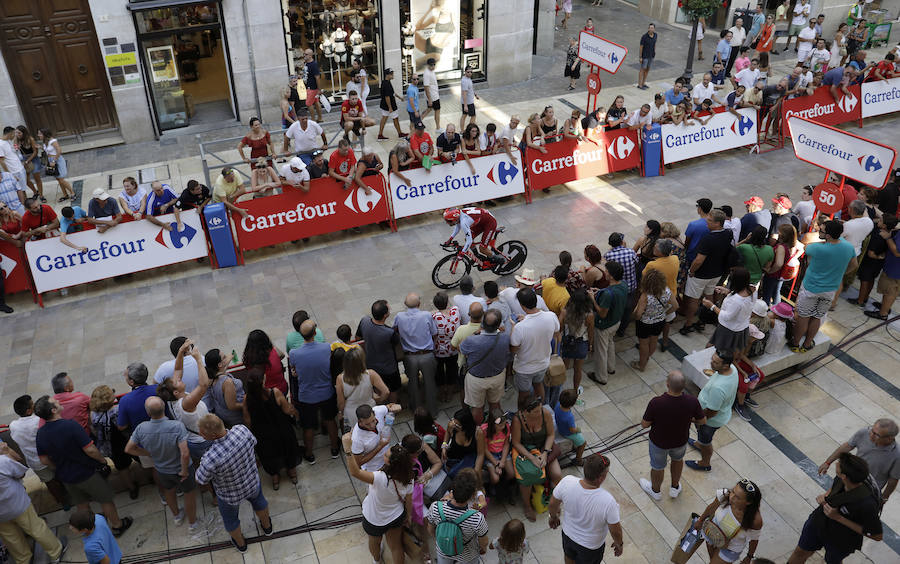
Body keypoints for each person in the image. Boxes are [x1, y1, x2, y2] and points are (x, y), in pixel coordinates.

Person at [34, 396, 133, 536]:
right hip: (87, 473)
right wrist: (102, 461)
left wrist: (58, 466)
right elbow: (90, 449)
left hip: (66, 477)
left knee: (81, 504)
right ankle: (117, 525)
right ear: (53, 410)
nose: (59, 401)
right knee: (105, 499)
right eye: (56, 402)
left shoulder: (41, 434)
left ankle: (90, 529)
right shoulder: (71, 425)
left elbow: (44, 460)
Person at [195, 414, 274, 553]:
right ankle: (267, 527)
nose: (200, 434)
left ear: (212, 436)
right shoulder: (241, 430)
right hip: (252, 482)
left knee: (231, 520)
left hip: (229, 496)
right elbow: (254, 442)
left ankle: (241, 544)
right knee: (260, 502)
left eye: (201, 432)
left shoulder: (210, 458)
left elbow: (201, 479)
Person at [788, 453, 883, 563]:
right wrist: (826, 495)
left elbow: (877, 535)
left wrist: (838, 517)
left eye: (839, 464)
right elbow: (834, 488)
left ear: (844, 476)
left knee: (832, 561)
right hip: (818, 523)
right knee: (800, 552)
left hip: (842, 539)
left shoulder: (867, 504)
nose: (836, 464)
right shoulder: (842, 478)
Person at [124, 397, 200, 530]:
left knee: (169, 492)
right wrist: (184, 470)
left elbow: (129, 448)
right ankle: (192, 523)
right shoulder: (176, 426)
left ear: (148, 413)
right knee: (189, 494)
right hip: (181, 469)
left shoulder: (141, 428)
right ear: (163, 408)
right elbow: (185, 453)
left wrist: (147, 453)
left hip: (162, 470)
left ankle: (177, 516)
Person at [791, 221, 856, 352]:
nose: (819, 232)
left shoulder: (817, 248)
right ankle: (807, 344)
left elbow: (805, 247)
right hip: (830, 290)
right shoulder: (849, 247)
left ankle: (795, 344)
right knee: (817, 316)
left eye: (821, 231)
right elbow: (854, 265)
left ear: (828, 235)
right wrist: (840, 274)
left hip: (811, 288)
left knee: (803, 316)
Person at [639, 370, 705, 500]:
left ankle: (656, 492)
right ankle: (675, 488)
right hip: (680, 441)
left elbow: (644, 424)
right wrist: (689, 418)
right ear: (683, 386)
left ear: (667, 384)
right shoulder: (692, 401)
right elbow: (702, 421)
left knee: (657, 467)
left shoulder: (656, 402)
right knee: (677, 460)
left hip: (658, 443)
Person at [0, 442, 68, 564]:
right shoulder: (2, 462)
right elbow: (21, 473)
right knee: (36, 528)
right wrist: (6, 452)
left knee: (11, 538)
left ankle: (24, 560)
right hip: (17, 504)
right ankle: (56, 552)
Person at [348, 441, 414, 564]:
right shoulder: (409, 476)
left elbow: (355, 472)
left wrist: (348, 450)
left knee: (374, 542)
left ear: (390, 463)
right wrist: (408, 515)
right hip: (396, 516)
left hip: (374, 519)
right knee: (396, 546)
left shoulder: (379, 477)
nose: (384, 454)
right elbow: (409, 499)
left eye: (386, 455)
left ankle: (377, 560)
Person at [548, 454, 624, 562]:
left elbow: (552, 504)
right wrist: (619, 544)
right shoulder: (608, 501)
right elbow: (615, 530)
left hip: (568, 535)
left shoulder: (567, 481)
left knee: (568, 556)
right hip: (590, 547)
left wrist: (553, 517)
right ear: (601, 477)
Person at [289, 319, 340, 462]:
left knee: (308, 427)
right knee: (330, 420)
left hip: (306, 397)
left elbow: (294, 368)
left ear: (300, 334)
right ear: (315, 332)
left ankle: (310, 454)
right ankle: (335, 448)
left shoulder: (294, 353)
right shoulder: (325, 348)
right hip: (327, 393)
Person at [241, 370, 300, 489]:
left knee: (269, 455)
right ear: (263, 381)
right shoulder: (275, 392)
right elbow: (287, 410)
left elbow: (247, 421)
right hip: (282, 430)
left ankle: (275, 479)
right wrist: (295, 412)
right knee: (288, 450)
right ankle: (292, 473)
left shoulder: (247, 399)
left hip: (263, 434)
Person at [818, 419, 900, 505]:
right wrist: (827, 462)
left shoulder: (897, 455)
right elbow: (847, 446)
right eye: (872, 430)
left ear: (889, 438)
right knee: (829, 500)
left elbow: (893, 480)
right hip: (848, 477)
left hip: (866, 490)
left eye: (876, 435)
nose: (871, 435)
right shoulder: (864, 432)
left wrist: (884, 498)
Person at [9, 395, 69, 505]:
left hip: (34, 462)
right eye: (33, 405)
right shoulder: (39, 421)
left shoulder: (13, 426)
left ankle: (62, 502)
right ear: (28, 411)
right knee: (62, 476)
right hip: (49, 457)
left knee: (50, 483)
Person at [687, 350, 738, 472]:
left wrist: (696, 419)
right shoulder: (732, 369)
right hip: (717, 415)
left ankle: (705, 463)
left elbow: (711, 412)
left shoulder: (718, 388)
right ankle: (699, 444)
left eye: (715, 362)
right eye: (712, 359)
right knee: (703, 438)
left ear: (725, 365)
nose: (711, 363)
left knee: (706, 442)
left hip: (710, 421)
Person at [427, 468, 489, 564]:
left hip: (444, 552)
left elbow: (430, 530)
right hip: (468, 557)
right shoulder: (477, 518)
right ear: (472, 495)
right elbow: (483, 542)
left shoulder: (435, 507)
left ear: (453, 489)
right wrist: (483, 548)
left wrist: (445, 540)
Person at [694, 479, 764, 563]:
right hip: (712, 533)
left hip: (731, 549)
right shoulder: (724, 494)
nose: (731, 497)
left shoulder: (755, 520)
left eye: (737, 497)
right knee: (712, 559)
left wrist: (749, 556)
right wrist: (700, 520)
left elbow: (754, 539)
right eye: (733, 491)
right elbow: (711, 507)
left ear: (748, 502)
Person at [88, 386, 139, 501]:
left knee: (122, 468)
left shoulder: (93, 415)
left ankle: (132, 489)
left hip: (112, 446)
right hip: (129, 441)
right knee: (141, 458)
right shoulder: (119, 409)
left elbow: (95, 431)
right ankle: (152, 477)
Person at [460, 309, 510, 425]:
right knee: (495, 404)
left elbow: (462, 348)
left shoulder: (472, 340)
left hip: (476, 379)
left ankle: (479, 431)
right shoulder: (505, 338)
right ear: (498, 325)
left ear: (482, 323)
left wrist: (475, 333)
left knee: (477, 408)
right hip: (497, 376)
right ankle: (497, 429)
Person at [511, 287, 560, 404]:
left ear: (522, 306)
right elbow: (556, 334)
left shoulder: (519, 327)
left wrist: (513, 328)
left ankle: (523, 416)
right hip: (543, 363)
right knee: (538, 386)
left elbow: (513, 349)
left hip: (524, 368)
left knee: (524, 393)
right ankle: (540, 409)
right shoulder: (551, 316)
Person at [395, 292, 439, 415]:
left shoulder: (399, 316)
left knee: (413, 385)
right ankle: (432, 411)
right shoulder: (426, 315)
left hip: (410, 357)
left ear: (405, 304)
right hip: (427, 355)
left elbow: (394, 330)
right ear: (419, 304)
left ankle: (416, 410)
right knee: (430, 383)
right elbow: (434, 333)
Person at [588, 261, 627, 384]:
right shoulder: (623, 284)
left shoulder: (607, 294)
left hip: (604, 326)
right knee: (610, 344)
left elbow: (602, 313)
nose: (604, 272)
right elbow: (612, 292)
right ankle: (611, 368)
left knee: (601, 352)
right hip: (616, 322)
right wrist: (599, 290)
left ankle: (601, 377)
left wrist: (593, 299)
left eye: (607, 272)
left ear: (611, 276)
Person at [356, 300, 402, 404]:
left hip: (371, 365)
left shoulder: (364, 321)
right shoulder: (389, 333)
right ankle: (392, 409)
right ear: (386, 315)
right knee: (393, 389)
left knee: (377, 387)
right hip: (389, 367)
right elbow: (396, 344)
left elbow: (358, 337)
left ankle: (380, 405)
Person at [632, 268, 675, 372]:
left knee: (643, 344)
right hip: (660, 321)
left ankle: (641, 365)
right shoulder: (667, 290)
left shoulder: (645, 296)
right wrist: (664, 314)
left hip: (645, 323)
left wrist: (636, 318)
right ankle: (647, 358)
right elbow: (675, 306)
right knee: (654, 340)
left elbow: (638, 313)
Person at [337, 347, 389, 431]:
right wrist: (378, 401)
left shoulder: (340, 379)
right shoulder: (371, 374)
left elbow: (341, 402)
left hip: (351, 414)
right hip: (370, 410)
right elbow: (386, 392)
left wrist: (340, 412)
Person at [559, 289, 594, 393]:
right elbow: (591, 331)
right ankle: (575, 389)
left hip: (567, 342)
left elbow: (559, 327)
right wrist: (590, 345)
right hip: (581, 343)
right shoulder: (589, 315)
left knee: (564, 367)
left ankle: (559, 388)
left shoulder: (565, 312)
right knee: (577, 369)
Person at [351, 403, 402, 472]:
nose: (372, 425)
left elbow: (390, 406)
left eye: (373, 420)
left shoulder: (378, 410)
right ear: (359, 422)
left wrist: (397, 407)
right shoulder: (356, 439)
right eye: (367, 424)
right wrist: (380, 446)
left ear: (374, 414)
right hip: (374, 468)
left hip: (389, 458)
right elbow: (359, 462)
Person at [762, 223, 803, 305]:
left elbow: (779, 264)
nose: (778, 234)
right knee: (775, 293)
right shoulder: (788, 246)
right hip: (779, 275)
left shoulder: (781, 247)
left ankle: (764, 312)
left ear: (784, 235)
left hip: (773, 276)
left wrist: (770, 271)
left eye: (780, 232)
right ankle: (777, 310)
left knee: (767, 295)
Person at [205, 348, 245, 428]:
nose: (227, 357)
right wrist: (247, 404)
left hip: (222, 412)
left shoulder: (211, 376)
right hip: (237, 417)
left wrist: (230, 357)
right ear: (219, 364)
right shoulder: (227, 382)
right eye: (224, 357)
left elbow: (222, 368)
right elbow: (232, 405)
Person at [243, 329, 287, 395]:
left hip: (263, 395)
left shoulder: (249, 360)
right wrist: (270, 344)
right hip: (281, 390)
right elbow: (282, 355)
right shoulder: (274, 353)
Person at [36, 128, 74, 202]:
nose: (38, 135)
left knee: (61, 179)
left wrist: (54, 160)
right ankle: (65, 195)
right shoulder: (45, 142)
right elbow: (48, 151)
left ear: (44, 134)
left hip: (57, 160)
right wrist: (40, 147)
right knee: (58, 179)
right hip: (50, 161)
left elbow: (59, 151)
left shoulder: (53, 141)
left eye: (40, 134)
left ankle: (73, 193)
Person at [554, 389, 586, 466]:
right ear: (572, 404)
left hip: (560, 428)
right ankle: (578, 460)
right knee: (583, 443)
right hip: (567, 433)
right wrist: (578, 430)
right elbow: (572, 430)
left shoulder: (557, 405)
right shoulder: (569, 417)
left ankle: (575, 446)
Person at [15, 125, 43, 202]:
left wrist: (28, 160)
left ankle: (41, 195)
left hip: (33, 158)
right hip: (23, 159)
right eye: (16, 133)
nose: (17, 134)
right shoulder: (17, 140)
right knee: (26, 180)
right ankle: (35, 192)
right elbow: (16, 151)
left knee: (37, 178)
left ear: (23, 133)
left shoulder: (30, 139)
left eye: (19, 133)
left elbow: (35, 152)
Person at [377, 68, 407, 140]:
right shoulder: (387, 84)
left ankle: (380, 134)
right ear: (387, 75)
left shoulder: (385, 82)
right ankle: (400, 133)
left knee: (384, 118)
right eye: (391, 74)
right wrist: (390, 107)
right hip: (390, 105)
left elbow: (392, 93)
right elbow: (387, 96)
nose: (393, 75)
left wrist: (400, 97)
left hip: (384, 105)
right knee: (395, 118)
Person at [302, 48, 322, 121]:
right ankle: (320, 118)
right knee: (316, 102)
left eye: (306, 54)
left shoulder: (313, 64)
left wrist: (319, 89)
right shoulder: (306, 63)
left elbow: (317, 77)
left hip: (312, 87)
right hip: (308, 86)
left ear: (310, 56)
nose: (304, 55)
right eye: (304, 54)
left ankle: (313, 119)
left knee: (308, 104)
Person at [421, 58, 441, 130]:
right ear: (428, 65)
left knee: (429, 110)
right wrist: (429, 99)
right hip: (433, 96)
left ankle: (419, 120)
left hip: (434, 94)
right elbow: (426, 87)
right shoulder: (427, 73)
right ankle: (438, 127)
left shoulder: (431, 71)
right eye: (431, 65)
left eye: (434, 65)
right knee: (437, 110)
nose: (433, 66)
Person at [637, 23, 657, 90]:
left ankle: (643, 83)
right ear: (648, 29)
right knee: (642, 69)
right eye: (650, 28)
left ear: (654, 29)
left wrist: (654, 52)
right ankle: (639, 85)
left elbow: (654, 44)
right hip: (645, 56)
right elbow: (641, 47)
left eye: (652, 28)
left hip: (651, 56)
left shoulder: (655, 35)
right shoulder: (644, 37)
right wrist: (640, 57)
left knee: (647, 69)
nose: (651, 29)